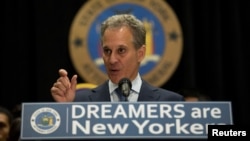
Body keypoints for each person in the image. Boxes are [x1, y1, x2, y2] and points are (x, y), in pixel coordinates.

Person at [51, 14, 184, 102]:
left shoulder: (170, 103)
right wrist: (66, 112)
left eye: (121, 50)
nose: (112, 60)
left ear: (141, 53)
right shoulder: (79, 102)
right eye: (107, 51)